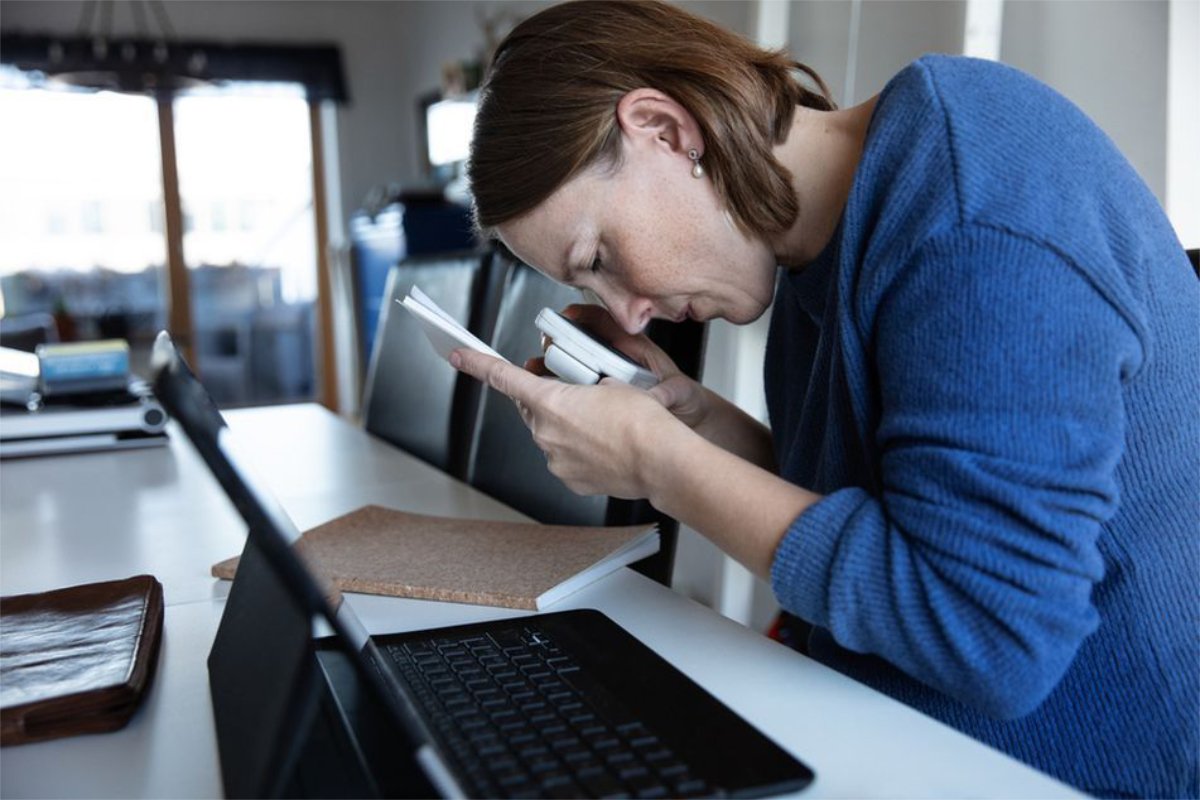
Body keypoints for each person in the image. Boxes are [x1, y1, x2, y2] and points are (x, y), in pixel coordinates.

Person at [452, 1, 1200, 796]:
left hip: (1076, 769)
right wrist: (692, 421)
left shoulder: (969, 209)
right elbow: (893, 511)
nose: (628, 310)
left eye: (598, 255)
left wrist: (657, 463)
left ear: (665, 131)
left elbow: (993, 635)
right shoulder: (817, 238)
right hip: (892, 736)